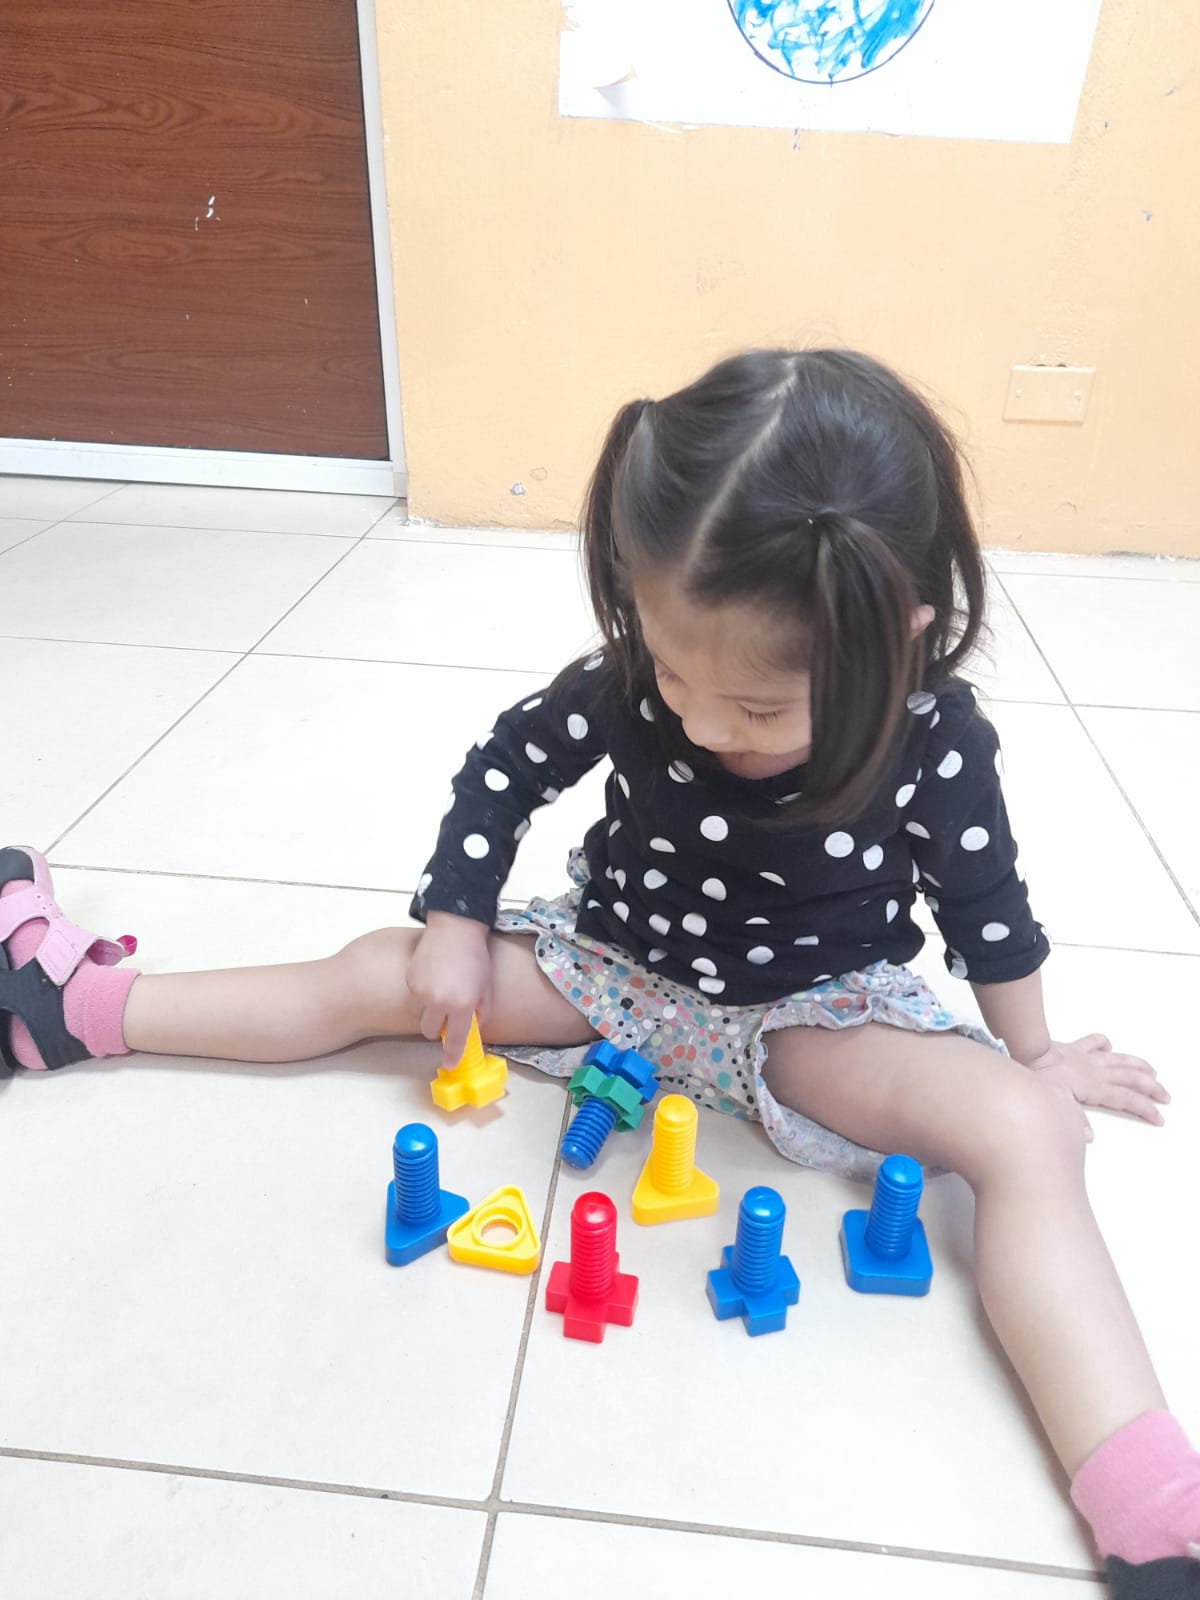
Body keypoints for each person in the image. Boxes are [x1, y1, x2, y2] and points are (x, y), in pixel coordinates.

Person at [1, 349, 1195, 1594]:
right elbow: (501, 774)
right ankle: (75, 1009)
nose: (701, 722)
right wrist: (455, 924)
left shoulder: (937, 738)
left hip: (815, 1020)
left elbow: (986, 909)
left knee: (1030, 1131)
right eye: (673, 671)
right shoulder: (632, 685)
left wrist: (1035, 1053)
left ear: (897, 639)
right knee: (383, 972)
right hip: (616, 971)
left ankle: (1152, 1511)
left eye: (758, 707)